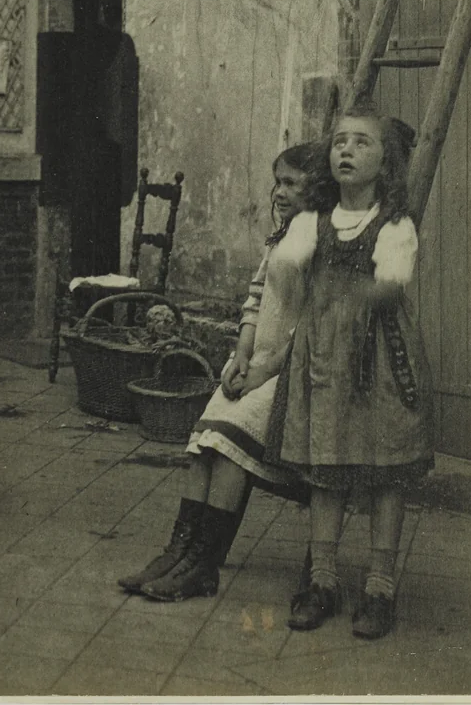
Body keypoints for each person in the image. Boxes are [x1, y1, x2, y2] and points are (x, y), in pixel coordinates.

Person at [118, 142, 336, 602]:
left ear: (317, 191)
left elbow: (312, 326)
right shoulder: (283, 235)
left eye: (293, 184)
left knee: (230, 442)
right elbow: (256, 296)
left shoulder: (323, 239)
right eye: (278, 181)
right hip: (258, 366)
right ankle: (180, 551)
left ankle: (203, 562)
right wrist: (241, 354)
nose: (279, 192)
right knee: (202, 444)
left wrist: (264, 373)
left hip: (294, 375)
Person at [265, 105, 435, 640]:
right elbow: (286, 265)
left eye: (362, 143)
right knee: (327, 465)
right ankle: (322, 580)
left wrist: (342, 296)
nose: (346, 150)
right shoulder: (311, 222)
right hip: (324, 365)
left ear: (385, 164)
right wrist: (289, 273)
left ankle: (380, 585)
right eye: (339, 141)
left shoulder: (396, 225)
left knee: (386, 471)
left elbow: (392, 280)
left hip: (382, 361)